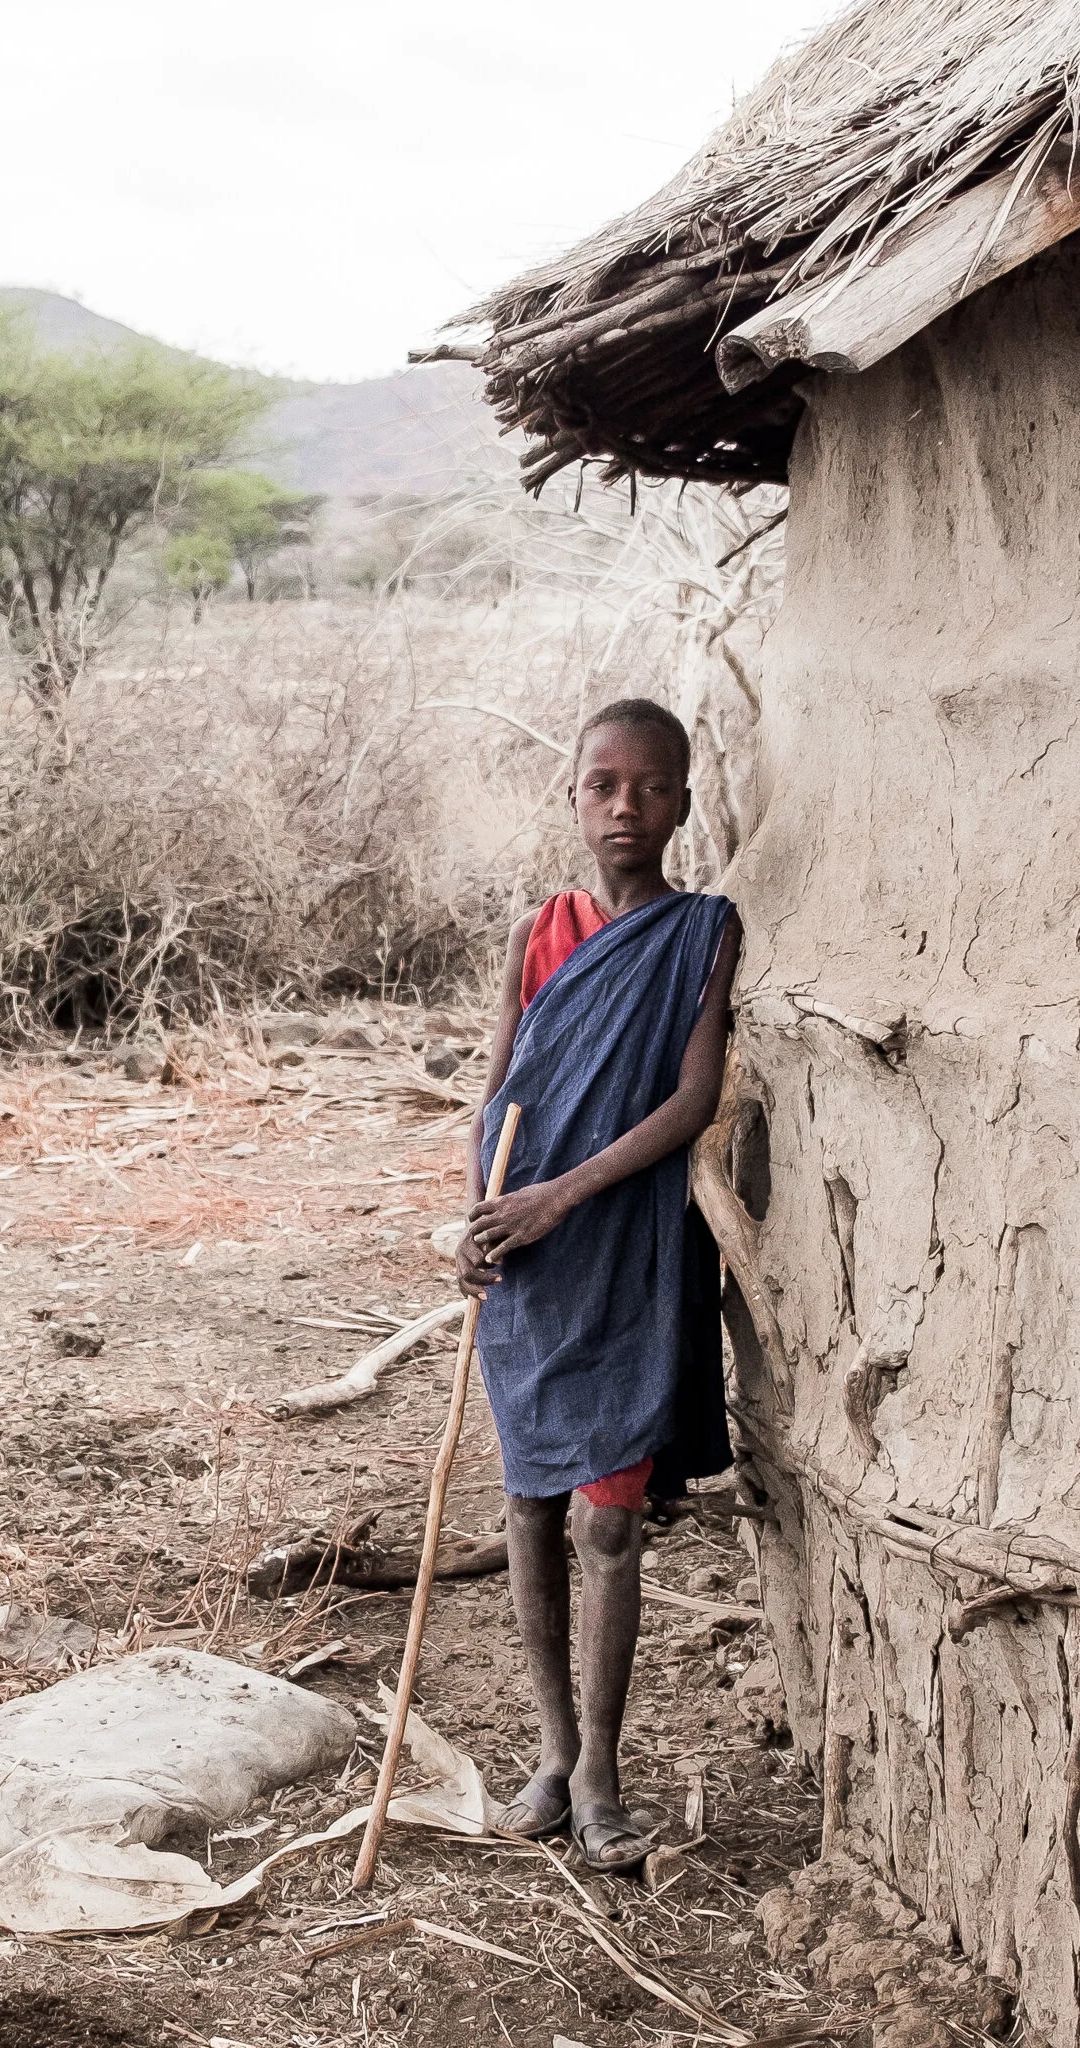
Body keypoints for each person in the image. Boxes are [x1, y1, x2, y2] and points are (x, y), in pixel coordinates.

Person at [456, 697, 740, 1873]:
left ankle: (609, 1771)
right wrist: (476, 1216)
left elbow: (691, 1100)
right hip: (524, 1250)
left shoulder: (702, 933)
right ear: (574, 796)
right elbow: (495, 1085)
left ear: (684, 798)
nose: (627, 806)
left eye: (652, 785)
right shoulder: (538, 930)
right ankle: (553, 1752)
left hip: (624, 1241)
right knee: (528, 1503)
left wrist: (558, 1195)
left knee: (608, 1519)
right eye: (602, 785)